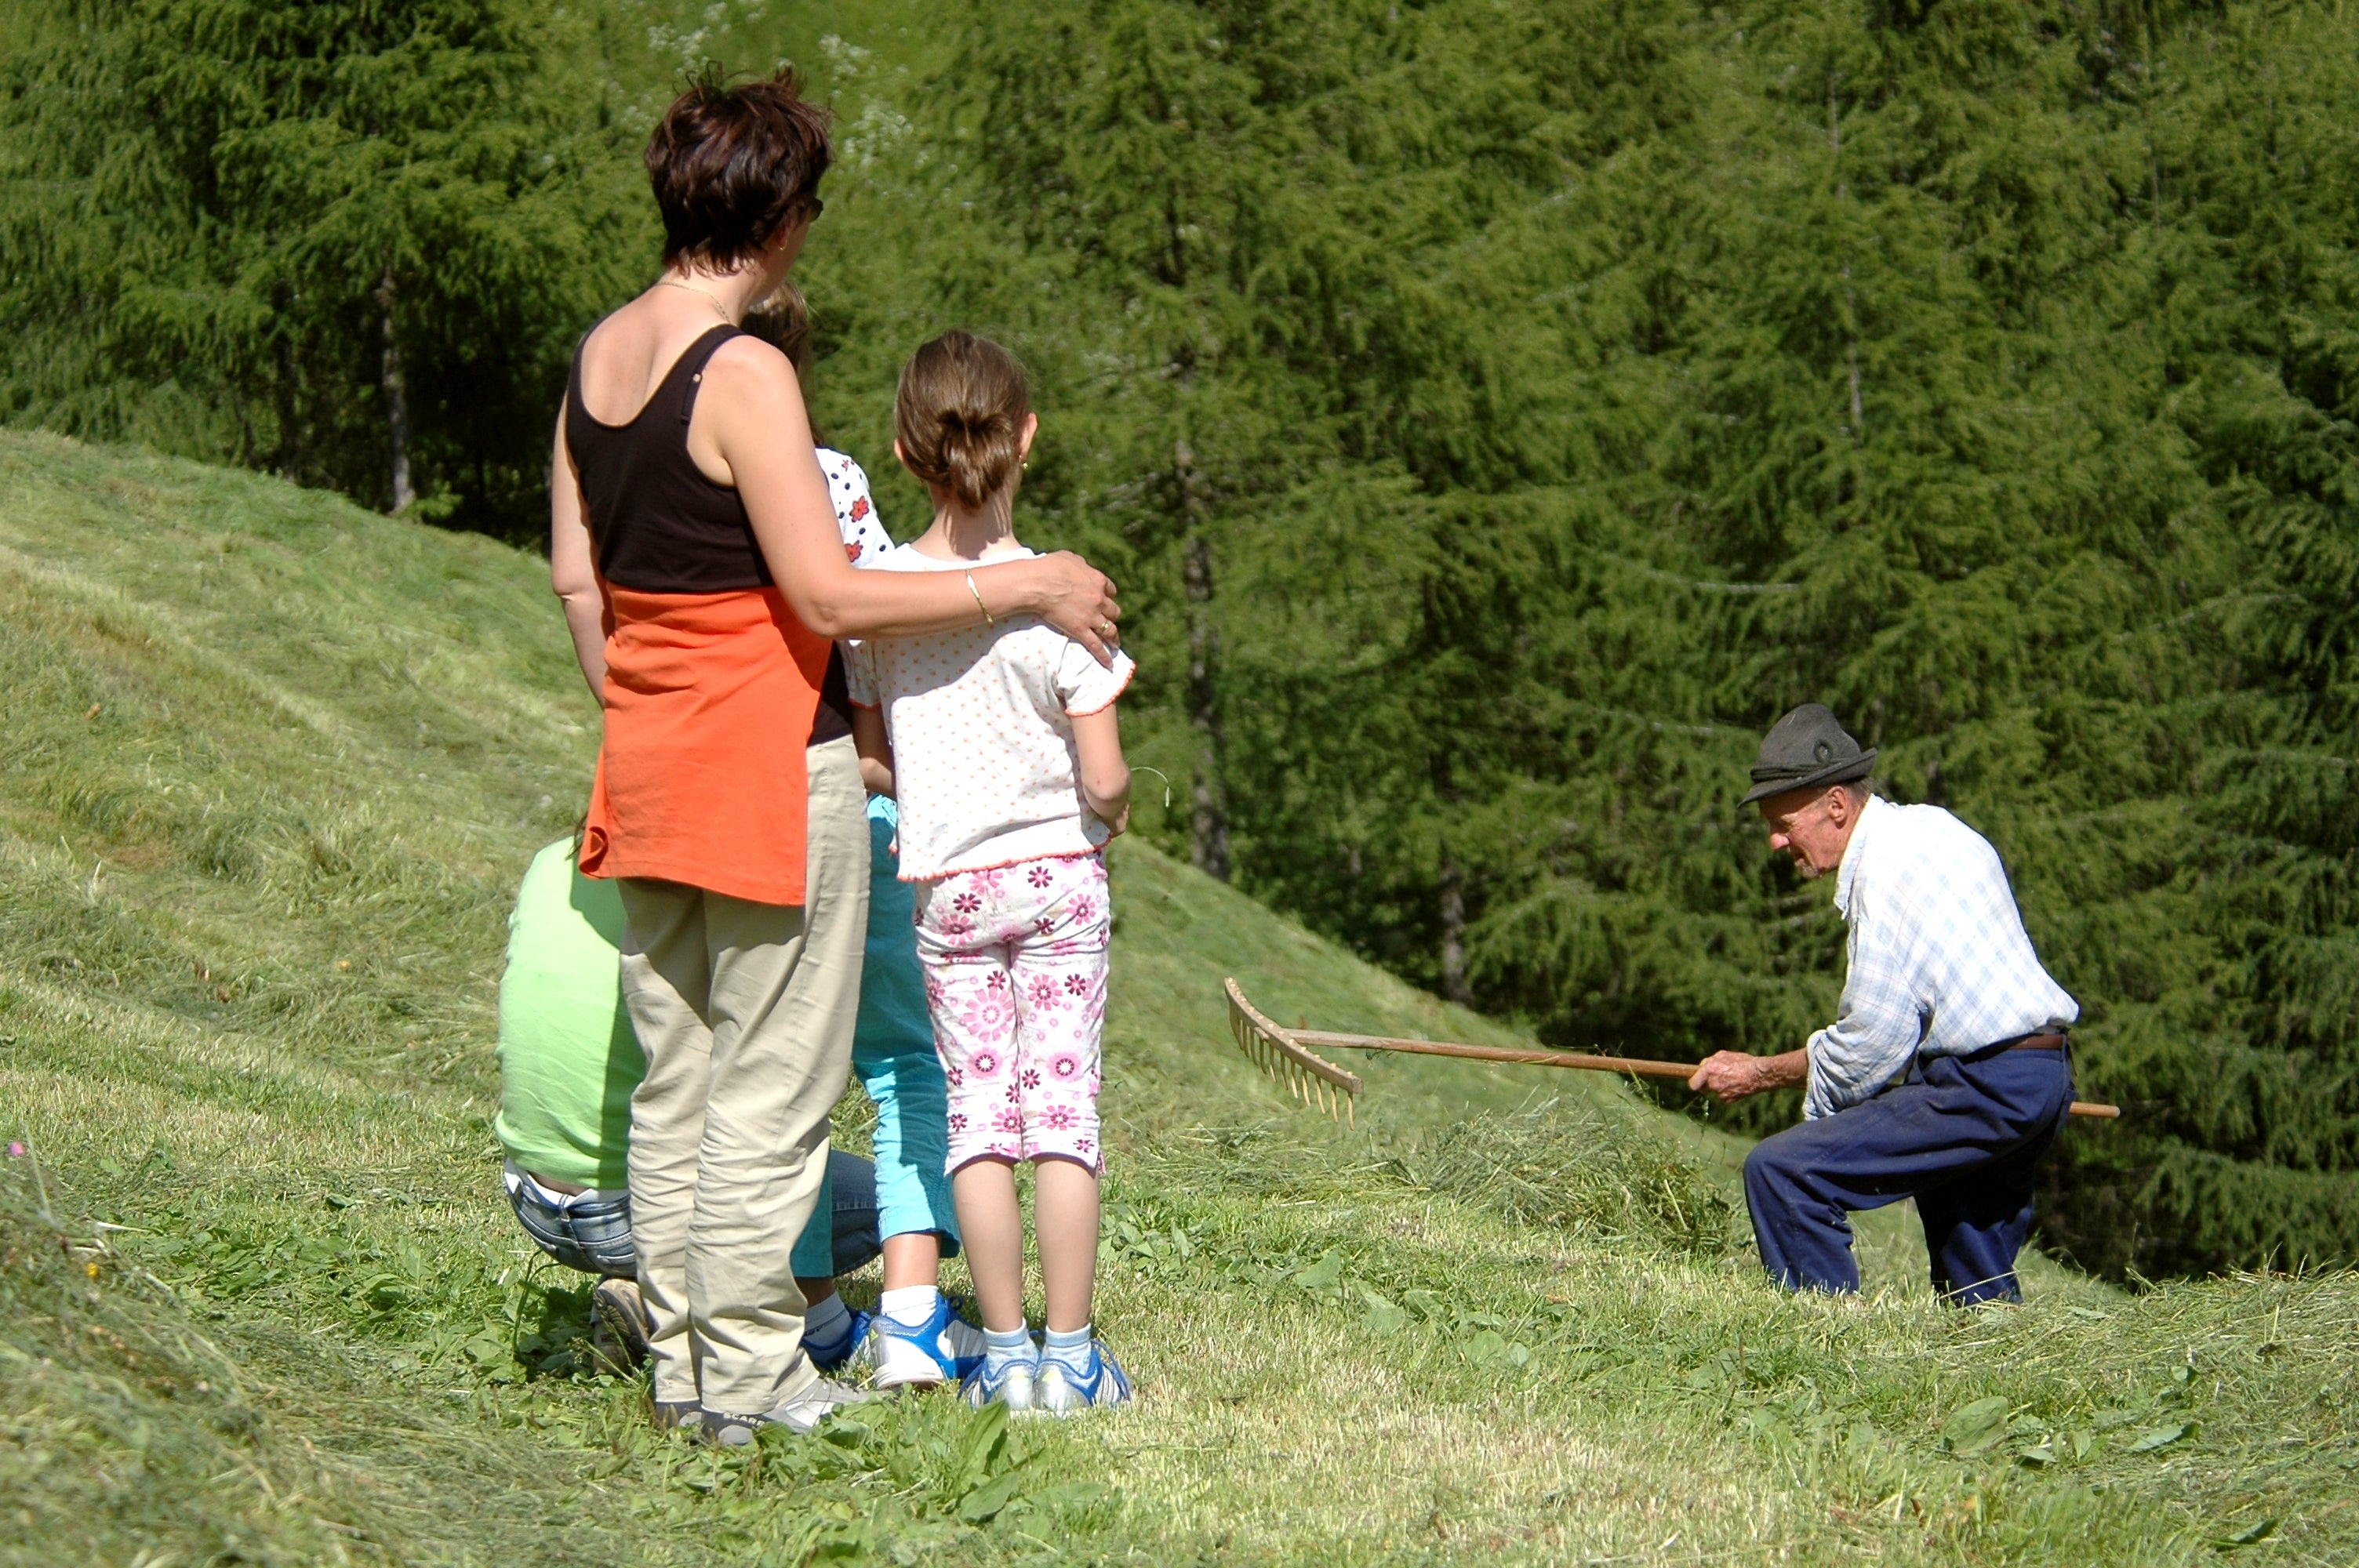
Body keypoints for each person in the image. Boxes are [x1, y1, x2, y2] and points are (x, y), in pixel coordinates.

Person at [547, 69, 1121, 1445]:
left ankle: (687, 1360)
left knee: (676, 1076)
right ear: (781, 214)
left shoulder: (599, 357)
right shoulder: (740, 370)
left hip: (646, 761)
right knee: (771, 1085)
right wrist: (1025, 586)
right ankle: (751, 1371)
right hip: (763, 770)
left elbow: (578, 579)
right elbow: (831, 596)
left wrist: (641, 706)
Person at [847, 331, 1136, 1414]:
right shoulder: (1066, 599)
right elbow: (1102, 782)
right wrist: (1110, 810)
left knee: (976, 1117)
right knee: (1061, 1114)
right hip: (1059, 880)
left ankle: (1004, 1355)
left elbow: (877, 752)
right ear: (1026, 438)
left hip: (948, 890)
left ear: (903, 453)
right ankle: (1074, 1357)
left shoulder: (880, 595)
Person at [745, 286, 985, 1388]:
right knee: (904, 1065)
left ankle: (811, 1312)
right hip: (851, 791)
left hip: (738, 807)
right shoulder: (827, 478)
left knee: (780, 1078)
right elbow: (878, 619)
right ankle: (912, 1320)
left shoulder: (666, 484)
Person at [1688, 704, 2081, 1305]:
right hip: (2042, 1075)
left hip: (1985, 1084)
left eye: (1783, 822)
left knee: (1786, 1171)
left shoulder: (1883, 870)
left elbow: (1874, 1038)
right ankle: (1995, 1377)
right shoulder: (1934, 829)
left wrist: (1767, 1079)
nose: (1774, 842)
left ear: (1836, 806)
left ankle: (1825, 1349)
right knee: (1970, 1262)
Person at [493, 836, 886, 1370]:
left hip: (533, 1195)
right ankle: (750, 1314)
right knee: (869, 1192)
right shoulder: (703, 883)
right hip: (640, 1208)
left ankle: (644, 1290)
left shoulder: (549, 861)